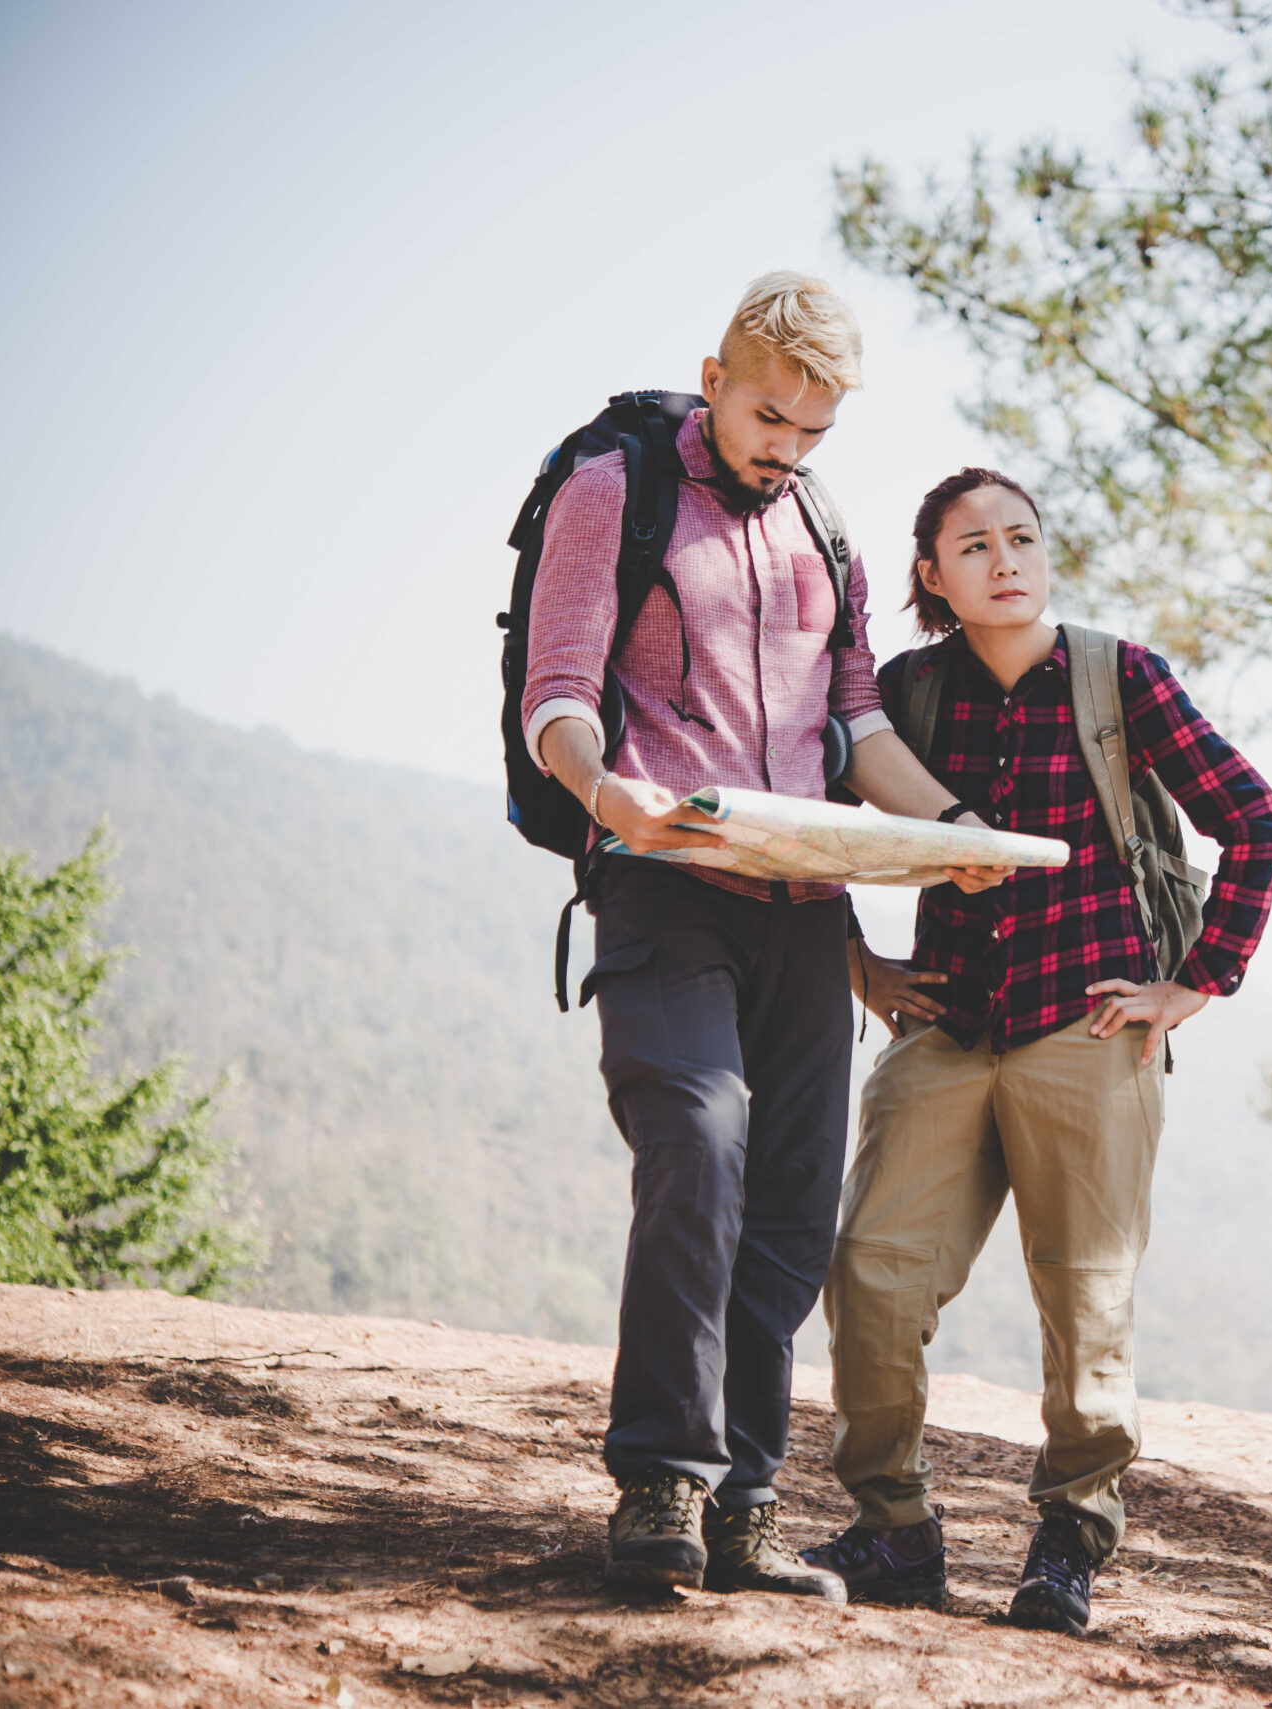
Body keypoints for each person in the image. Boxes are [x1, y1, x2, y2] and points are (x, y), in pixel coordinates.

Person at [521, 274, 1010, 1595]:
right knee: (697, 1139)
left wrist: (960, 829)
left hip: (806, 911)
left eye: (813, 431)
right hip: (660, 886)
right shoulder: (612, 492)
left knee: (790, 1202)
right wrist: (603, 790)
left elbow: (855, 729)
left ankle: (745, 1506)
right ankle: (659, 1491)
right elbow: (556, 693)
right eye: (767, 416)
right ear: (716, 374)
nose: (785, 447)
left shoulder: (825, 530)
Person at [802, 468, 1272, 1635]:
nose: (1005, 560)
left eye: (1022, 537)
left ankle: (1068, 1539)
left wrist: (1196, 982)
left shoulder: (1120, 676)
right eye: (974, 546)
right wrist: (857, 962)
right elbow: (803, 813)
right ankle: (895, 1530)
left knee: (1086, 1296)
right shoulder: (905, 692)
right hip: (947, 1022)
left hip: (1090, 1024)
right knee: (869, 1268)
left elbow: (1255, 820)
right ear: (932, 575)